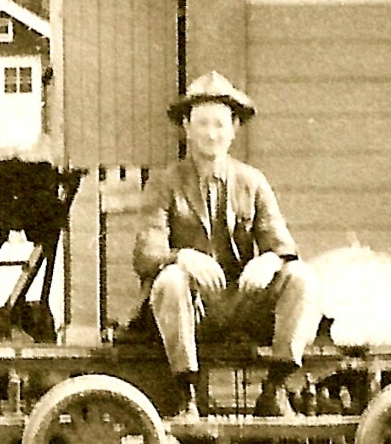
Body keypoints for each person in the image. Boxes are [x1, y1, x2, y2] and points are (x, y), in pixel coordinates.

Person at [131, 72, 316, 417]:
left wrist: (271, 261)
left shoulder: (252, 182)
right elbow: (146, 253)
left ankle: (275, 390)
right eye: (202, 124)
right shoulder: (165, 183)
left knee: (301, 277)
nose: (211, 134)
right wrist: (182, 257)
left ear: (233, 129)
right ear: (186, 127)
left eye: (220, 124)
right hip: (193, 307)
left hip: (242, 305)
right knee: (170, 279)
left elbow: (282, 244)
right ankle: (186, 396)